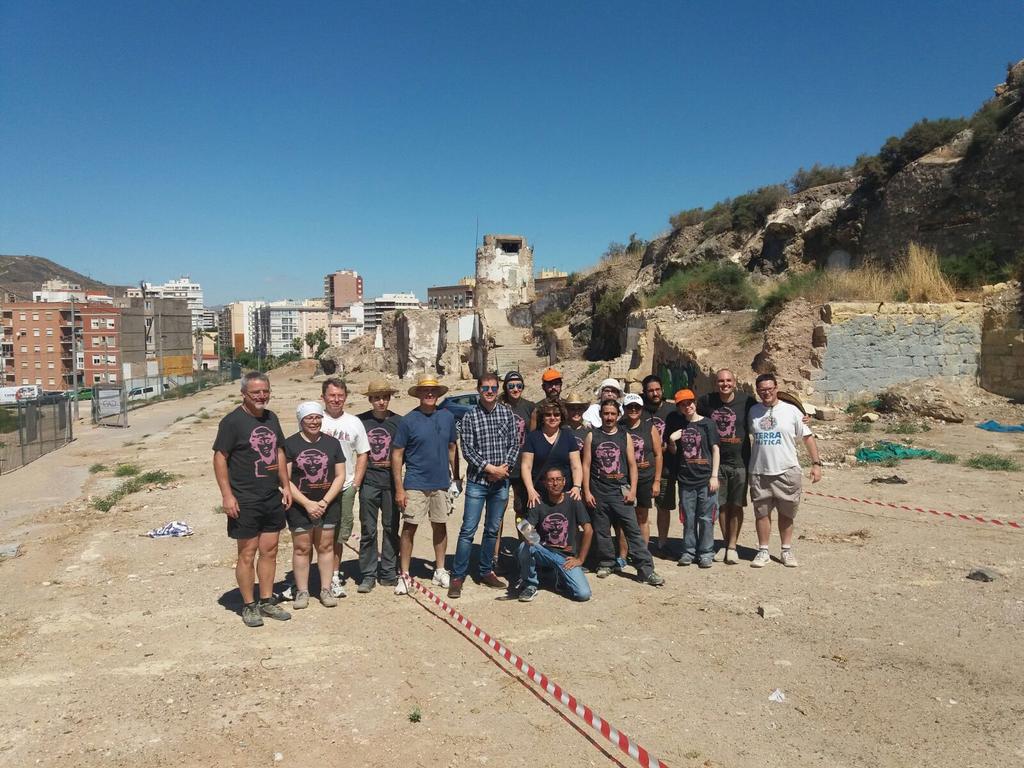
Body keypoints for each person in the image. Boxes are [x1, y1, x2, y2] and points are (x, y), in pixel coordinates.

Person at [212, 372, 293, 627]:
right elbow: (220, 457)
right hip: (245, 498)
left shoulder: (271, 418)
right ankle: (249, 605)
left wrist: (286, 485)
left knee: (269, 551)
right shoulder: (232, 422)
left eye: (265, 391)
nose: (261, 396)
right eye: (256, 392)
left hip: (271, 496)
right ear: (244, 394)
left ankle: (267, 600)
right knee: (247, 553)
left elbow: (279, 451)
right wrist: (227, 495)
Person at [450, 372, 519, 598]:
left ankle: (486, 570)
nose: (489, 392)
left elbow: (514, 444)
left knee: (492, 529)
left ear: (498, 389)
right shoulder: (470, 417)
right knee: (468, 529)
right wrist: (490, 469)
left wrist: (503, 469)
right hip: (479, 482)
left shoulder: (507, 413)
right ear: (478, 389)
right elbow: (467, 450)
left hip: (501, 483)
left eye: (493, 388)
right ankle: (458, 575)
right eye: (485, 388)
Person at [581, 399, 665, 586]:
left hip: (621, 491)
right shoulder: (592, 436)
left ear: (618, 415)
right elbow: (586, 466)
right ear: (601, 415)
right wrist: (586, 491)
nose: (609, 417)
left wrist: (633, 489)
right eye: (606, 413)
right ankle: (606, 562)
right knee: (602, 530)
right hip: (599, 490)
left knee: (632, 531)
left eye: (612, 414)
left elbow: (633, 465)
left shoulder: (624, 436)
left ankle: (646, 569)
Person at [392, 374, 459, 594]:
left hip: (440, 482)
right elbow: (397, 454)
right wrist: (400, 488)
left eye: (433, 391)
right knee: (409, 527)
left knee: (439, 525)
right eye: (425, 391)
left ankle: (440, 569)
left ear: (438, 394)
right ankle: (404, 573)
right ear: (419, 394)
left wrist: (456, 478)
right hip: (415, 482)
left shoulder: (447, 417)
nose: (429, 394)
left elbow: (452, 448)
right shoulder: (408, 420)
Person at [748, 373, 822, 568]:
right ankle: (763, 551)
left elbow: (807, 437)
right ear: (758, 391)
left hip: (787, 471)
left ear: (776, 388)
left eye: (770, 388)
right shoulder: (753, 411)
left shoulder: (792, 412)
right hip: (759, 471)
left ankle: (786, 550)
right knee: (761, 514)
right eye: (762, 390)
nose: (767, 392)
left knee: (787, 514)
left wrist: (816, 464)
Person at [284, 401, 346, 608]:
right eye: (309, 418)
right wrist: (308, 503)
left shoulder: (332, 443)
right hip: (300, 505)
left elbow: (340, 475)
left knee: (326, 546)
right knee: (301, 548)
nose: (314, 421)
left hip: (328, 504)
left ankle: (326, 589)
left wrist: (324, 501)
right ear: (301, 420)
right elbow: (285, 478)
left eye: (317, 417)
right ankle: (302, 591)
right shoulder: (290, 444)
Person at [697, 369, 755, 565]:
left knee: (736, 504)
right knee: (721, 504)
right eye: (721, 381)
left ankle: (732, 546)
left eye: (728, 380)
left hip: (740, 461)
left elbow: (768, 409)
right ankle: (724, 543)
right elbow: (693, 419)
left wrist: (801, 415)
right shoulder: (706, 401)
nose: (725, 384)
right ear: (716, 383)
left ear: (734, 382)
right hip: (716, 463)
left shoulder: (747, 401)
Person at [320, 378, 370, 598]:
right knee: (317, 535)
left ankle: (334, 575)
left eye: (340, 395)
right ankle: (314, 576)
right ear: (323, 397)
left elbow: (363, 454)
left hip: (345, 487)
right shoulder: (315, 420)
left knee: (339, 535)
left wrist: (356, 484)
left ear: (346, 397)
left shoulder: (354, 422)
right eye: (332, 395)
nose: (336, 400)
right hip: (318, 487)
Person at [517, 466, 594, 602]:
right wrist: (528, 537)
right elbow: (524, 526)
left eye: (558, 479)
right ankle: (530, 584)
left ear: (564, 482)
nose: (555, 483)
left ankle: (559, 575)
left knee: (583, 594)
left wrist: (581, 559)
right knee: (524, 547)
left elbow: (588, 530)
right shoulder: (538, 502)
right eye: (551, 480)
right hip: (544, 551)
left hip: (566, 557)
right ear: (545, 483)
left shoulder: (573, 500)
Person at [355, 379, 403, 593]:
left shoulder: (399, 422)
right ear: (370, 399)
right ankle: (368, 574)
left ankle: (389, 571)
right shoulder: (360, 422)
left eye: (384, 398)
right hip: (369, 482)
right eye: (377, 398)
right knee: (368, 529)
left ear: (389, 399)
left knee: (392, 527)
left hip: (391, 483)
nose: (381, 402)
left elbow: (406, 453)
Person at [666, 389, 720, 568]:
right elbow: (673, 453)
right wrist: (672, 441)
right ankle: (689, 551)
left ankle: (706, 552)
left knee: (706, 518)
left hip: (705, 478)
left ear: (694, 402)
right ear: (679, 408)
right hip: (686, 479)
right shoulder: (678, 425)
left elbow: (715, 449)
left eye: (689, 402)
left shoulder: (708, 424)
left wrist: (714, 475)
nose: (687, 406)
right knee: (688, 518)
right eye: (683, 404)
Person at [618, 393, 662, 560]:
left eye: (637, 407)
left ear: (642, 409)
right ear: (624, 409)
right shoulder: (620, 427)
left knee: (642, 516)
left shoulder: (649, 428)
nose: (633, 410)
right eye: (630, 407)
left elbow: (658, 455)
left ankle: (642, 552)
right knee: (624, 517)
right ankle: (624, 553)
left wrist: (657, 481)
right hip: (625, 478)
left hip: (645, 478)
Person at [521, 400, 583, 507]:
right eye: (548, 415)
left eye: (557, 414)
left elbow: (576, 466)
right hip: (539, 493)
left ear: (562, 417)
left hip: (565, 492)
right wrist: (530, 490)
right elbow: (526, 466)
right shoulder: (533, 437)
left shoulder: (568, 436)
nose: (553, 418)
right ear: (542, 417)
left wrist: (577, 487)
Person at [642, 374, 677, 553]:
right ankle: (643, 545)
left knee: (663, 507)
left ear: (662, 390)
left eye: (657, 389)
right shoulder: (639, 410)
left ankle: (662, 543)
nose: (655, 393)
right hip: (644, 468)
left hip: (667, 468)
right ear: (644, 392)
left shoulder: (672, 409)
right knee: (642, 510)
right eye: (650, 390)